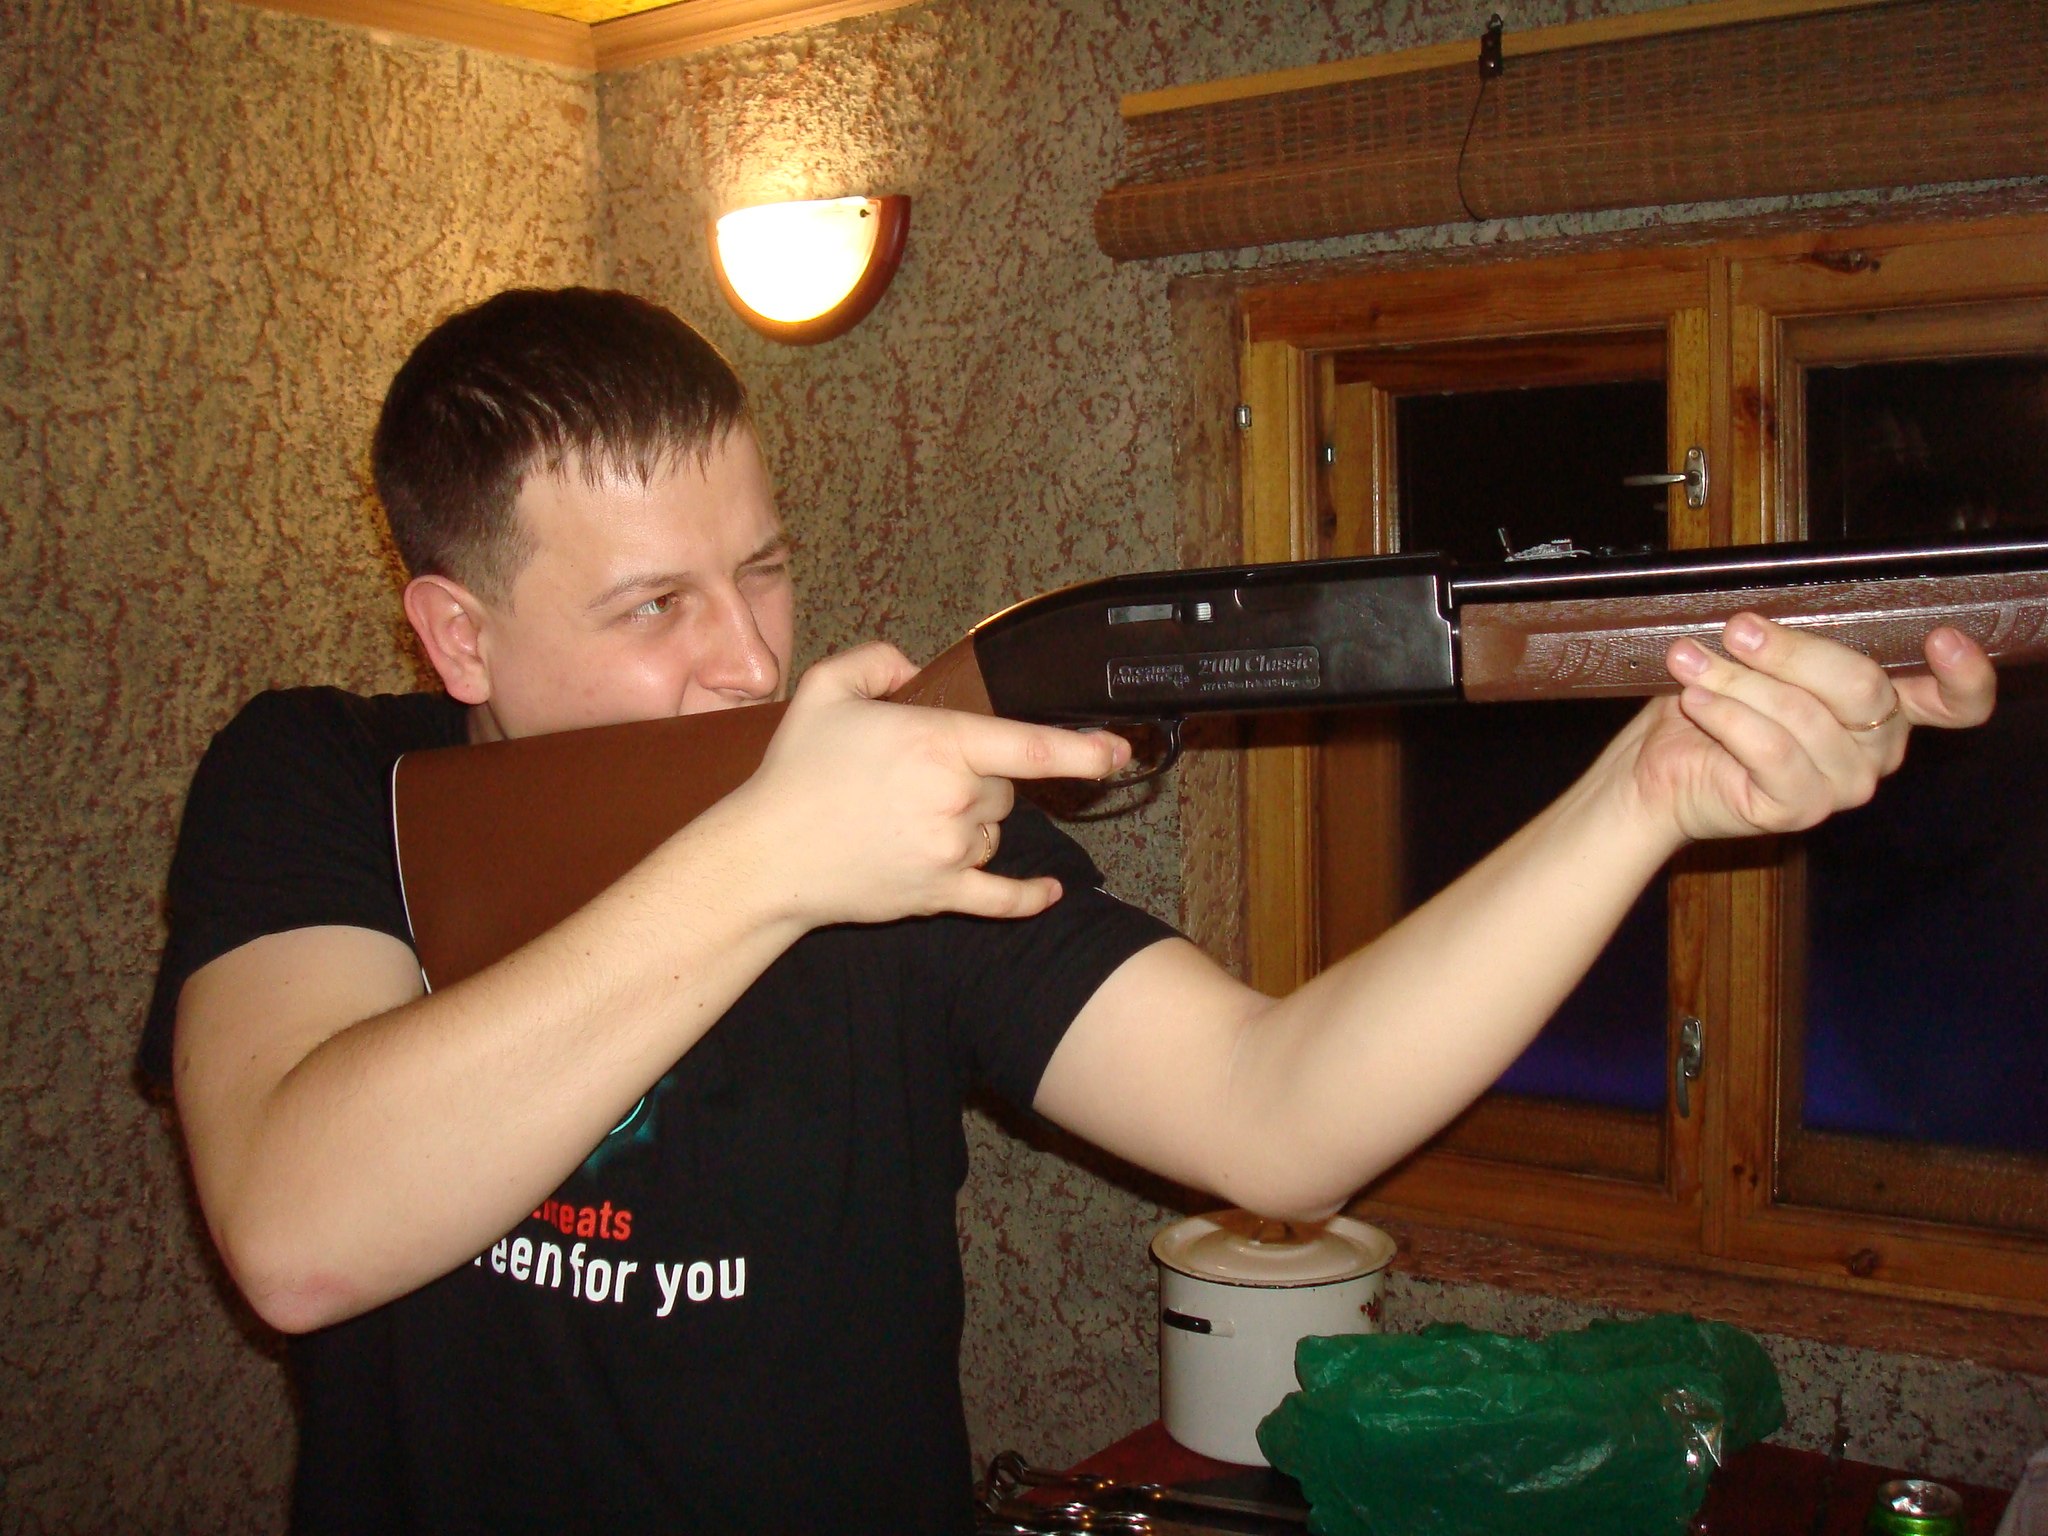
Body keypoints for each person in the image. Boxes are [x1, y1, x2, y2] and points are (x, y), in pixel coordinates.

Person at [141, 288, 1996, 1534]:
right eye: (654, 609)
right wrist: (769, 862)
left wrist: (1644, 795)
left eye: (763, 570)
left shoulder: (894, 817)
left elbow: (1281, 1113)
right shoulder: (325, 784)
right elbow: (301, 1233)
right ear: (457, 635)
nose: (751, 659)